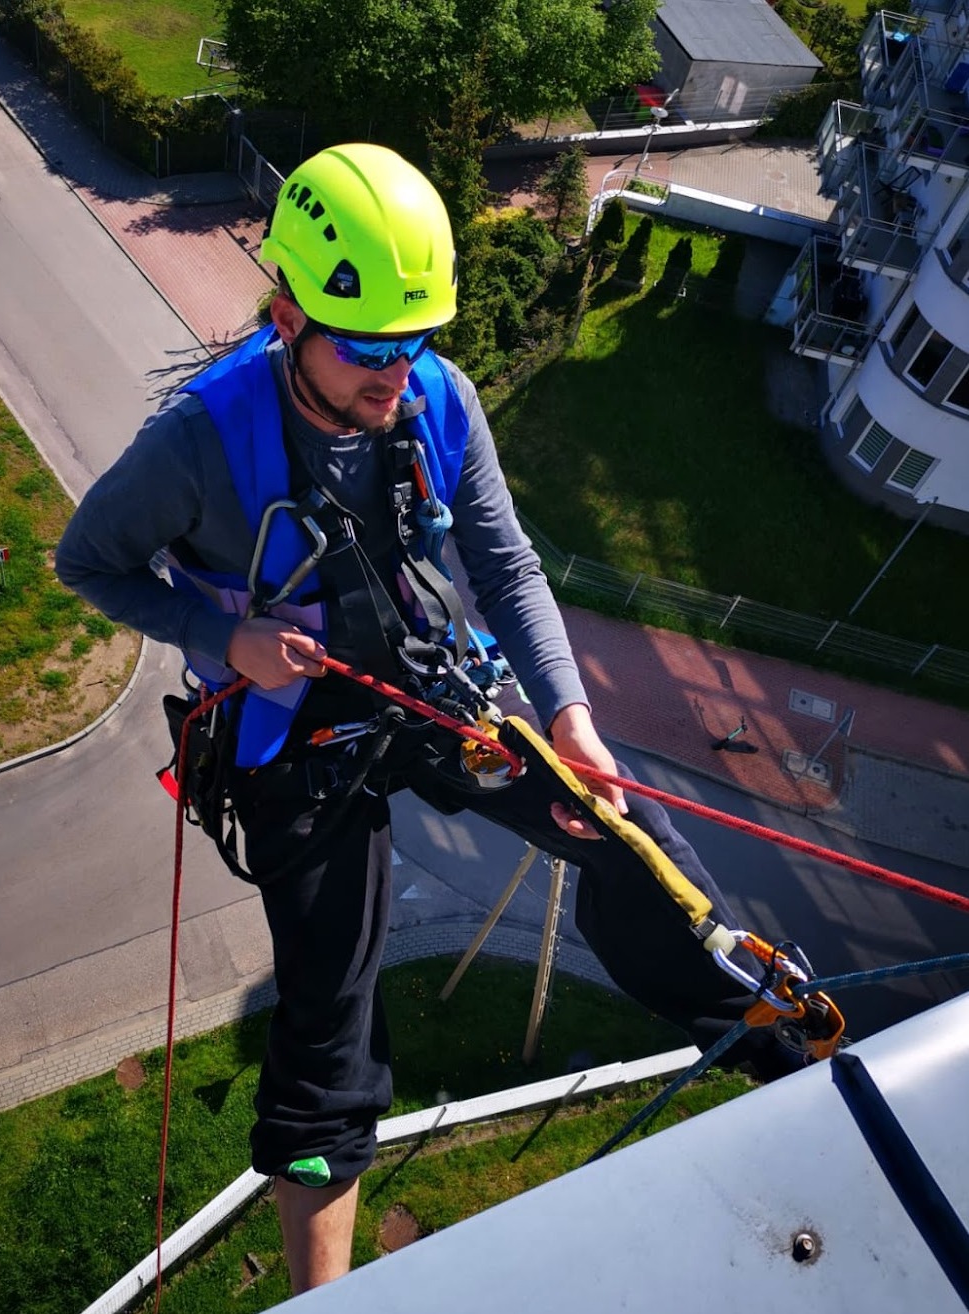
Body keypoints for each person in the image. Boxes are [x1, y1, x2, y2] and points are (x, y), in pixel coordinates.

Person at [55, 143, 799, 1294]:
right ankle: (328, 1289)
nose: (395, 379)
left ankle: (771, 1040)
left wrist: (570, 712)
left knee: (617, 829)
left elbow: (504, 563)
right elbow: (89, 561)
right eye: (368, 352)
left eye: (414, 345)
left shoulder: (437, 398)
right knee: (328, 1005)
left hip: (424, 681)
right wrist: (226, 642)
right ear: (287, 309)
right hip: (291, 731)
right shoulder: (199, 441)